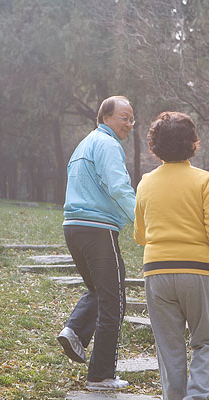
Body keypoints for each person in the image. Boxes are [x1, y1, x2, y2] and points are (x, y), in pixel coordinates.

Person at [133, 112, 209, 400]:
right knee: (206, 341)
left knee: (169, 346)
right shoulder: (204, 180)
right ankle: (197, 396)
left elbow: (140, 234)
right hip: (197, 271)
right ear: (193, 143)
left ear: (154, 146)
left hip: (157, 272)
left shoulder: (145, 182)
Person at [57, 95, 136, 391]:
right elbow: (118, 187)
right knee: (114, 300)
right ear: (105, 118)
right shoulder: (108, 145)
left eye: (131, 119)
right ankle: (101, 376)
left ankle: (74, 331)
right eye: (123, 118)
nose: (129, 124)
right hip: (97, 229)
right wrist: (143, 221)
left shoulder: (85, 144)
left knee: (99, 291)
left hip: (73, 227)